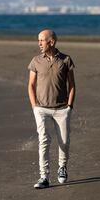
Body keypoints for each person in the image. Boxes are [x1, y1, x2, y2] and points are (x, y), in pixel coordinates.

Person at [27, 29, 76, 189]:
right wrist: (34, 106)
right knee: (44, 140)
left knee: (64, 142)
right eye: (38, 40)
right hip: (41, 108)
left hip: (62, 109)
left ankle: (62, 167)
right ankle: (44, 176)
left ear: (52, 42)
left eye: (42, 40)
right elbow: (31, 85)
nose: (39, 43)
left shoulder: (66, 60)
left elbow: (72, 85)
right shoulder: (36, 61)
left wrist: (69, 106)